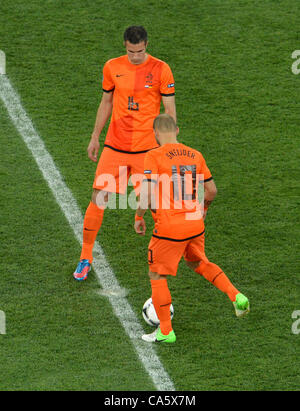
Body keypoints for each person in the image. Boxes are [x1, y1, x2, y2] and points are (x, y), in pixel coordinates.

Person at [134, 114, 250, 343]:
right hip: (194, 223)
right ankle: (236, 296)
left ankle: (165, 331)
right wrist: (204, 208)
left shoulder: (154, 155)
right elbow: (212, 191)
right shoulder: (196, 155)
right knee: (198, 262)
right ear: (177, 130)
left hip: (169, 226)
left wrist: (139, 216)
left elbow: (146, 193)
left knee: (157, 274)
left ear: (155, 134)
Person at [74, 26, 177, 280]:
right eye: (131, 52)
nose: (135, 56)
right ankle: (85, 257)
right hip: (116, 145)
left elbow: (169, 109)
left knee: (155, 203)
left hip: (148, 149)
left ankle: (171, 254)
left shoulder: (161, 69)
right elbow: (106, 102)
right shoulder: (111, 67)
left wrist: (170, 144)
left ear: (147, 45)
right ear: (125, 46)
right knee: (99, 198)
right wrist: (95, 136)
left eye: (140, 51)